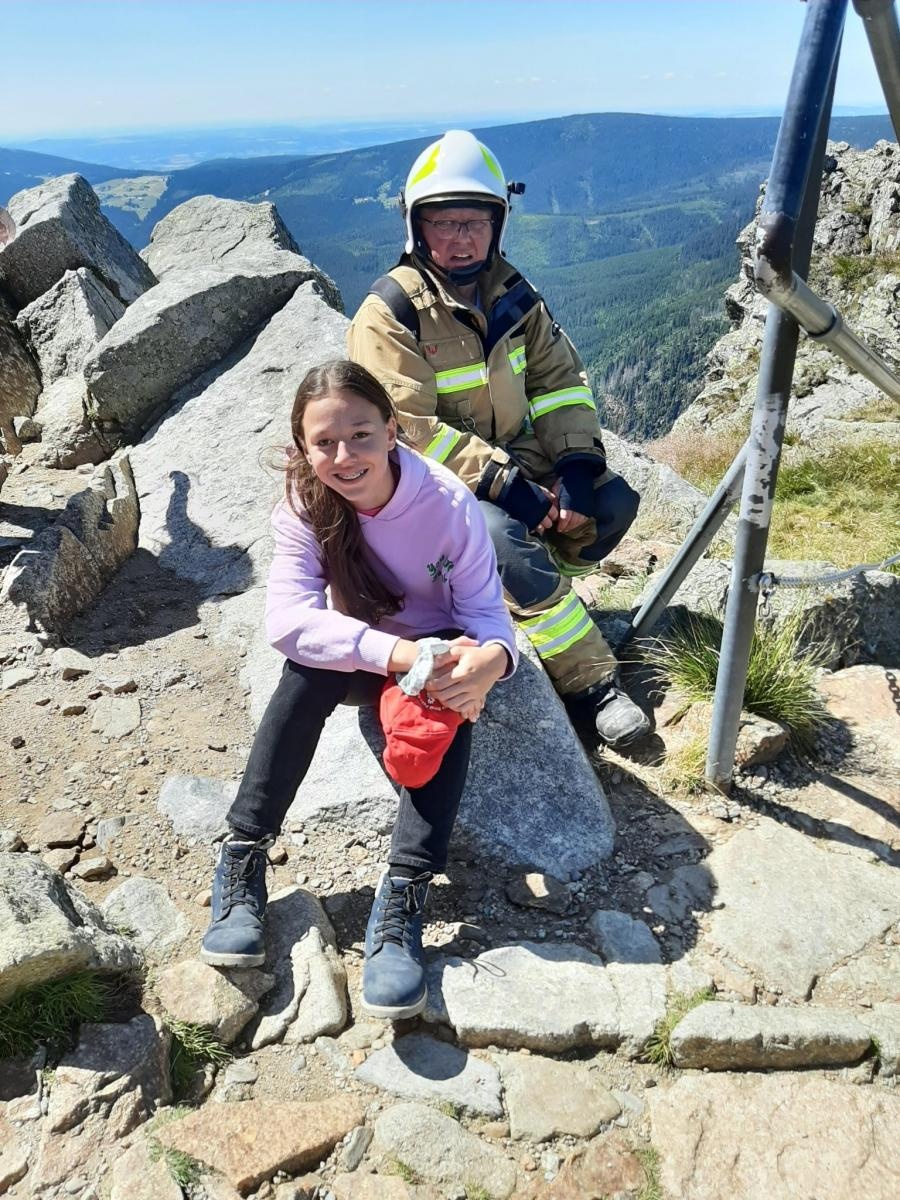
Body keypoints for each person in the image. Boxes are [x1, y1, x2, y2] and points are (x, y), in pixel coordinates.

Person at [200, 359, 517, 1019]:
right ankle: (244, 850)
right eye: (324, 443)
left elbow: (488, 617)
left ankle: (403, 894)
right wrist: (398, 655)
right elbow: (288, 623)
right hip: (374, 651)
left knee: (446, 695)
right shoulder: (303, 503)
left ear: (393, 431)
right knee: (309, 665)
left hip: (433, 647)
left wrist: (488, 664)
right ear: (302, 448)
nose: (344, 457)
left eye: (362, 435)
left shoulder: (447, 504)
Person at [348, 129, 651, 746]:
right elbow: (407, 431)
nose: (461, 238)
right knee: (502, 539)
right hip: (432, 485)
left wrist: (572, 468)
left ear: (498, 225)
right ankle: (590, 683)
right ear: (417, 227)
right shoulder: (389, 313)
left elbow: (559, 381)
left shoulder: (514, 295)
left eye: (475, 223)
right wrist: (504, 486)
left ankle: (513, 591)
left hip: (517, 456)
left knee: (612, 502)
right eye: (444, 223)